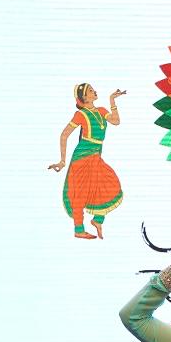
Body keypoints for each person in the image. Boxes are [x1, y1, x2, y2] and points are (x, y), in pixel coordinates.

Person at [48, 82, 126, 238]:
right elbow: (64, 135)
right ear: (84, 97)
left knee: (108, 184)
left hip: (95, 156)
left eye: (93, 89)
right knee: (80, 192)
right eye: (90, 90)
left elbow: (116, 121)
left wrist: (112, 100)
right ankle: (79, 230)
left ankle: (97, 220)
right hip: (82, 157)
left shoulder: (101, 110)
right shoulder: (81, 114)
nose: (94, 91)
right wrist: (62, 161)